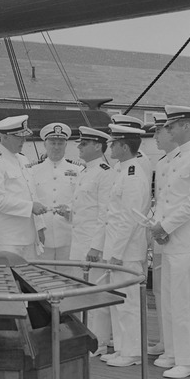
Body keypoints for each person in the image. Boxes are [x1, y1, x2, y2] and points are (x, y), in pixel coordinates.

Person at [148, 106, 190, 379]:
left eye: (172, 126)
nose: (168, 130)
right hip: (168, 240)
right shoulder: (166, 161)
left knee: (185, 302)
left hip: (186, 241)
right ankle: (174, 352)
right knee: (171, 300)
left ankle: (188, 361)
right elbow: (164, 200)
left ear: (186, 127)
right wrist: (157, 226)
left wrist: (165, 226)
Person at [101, 123, 151, 368]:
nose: (109, 146)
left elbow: (129, 219)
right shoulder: (123, 170)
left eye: (113, 142)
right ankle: (122, 347)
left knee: (129, 303)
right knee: (118, 301)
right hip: (118, 248)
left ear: (123, 146)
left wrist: (117, 253)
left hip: (126, 251)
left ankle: (132, 352)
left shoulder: (132, 175)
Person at [67, 126, 114, 356]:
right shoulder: (85, 171)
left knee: (96, 294)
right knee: (80, 293)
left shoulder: (105, 173)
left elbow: (105, 212)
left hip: (92, 245)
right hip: (79, 241)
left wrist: (96, 246)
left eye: (84, 144)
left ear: (98, 146)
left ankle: (99, 342)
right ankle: (84, 338)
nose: (79, 147)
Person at [0, 115, 48, 258]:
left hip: (28, 236)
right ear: (5, 137)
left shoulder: (22, 159)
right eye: (19, 137)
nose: (23, 141)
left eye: (24, 137)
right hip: (7, 239)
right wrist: (30, 207)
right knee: (7, 279)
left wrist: (39, 227)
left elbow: (31, 193)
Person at [29, 122, 83, 262]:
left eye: (60, 143)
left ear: (66, 145)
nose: (56, 147)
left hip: (68, 233)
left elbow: (82, 199)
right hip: (42, 234)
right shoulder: (32, 171)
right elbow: (31, 200)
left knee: (68, 277)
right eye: (52, 143)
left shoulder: (78, 170)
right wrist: (38, 227)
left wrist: (69, 211)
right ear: (45, 144)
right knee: (42, 279)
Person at [147, 111, 171, 356]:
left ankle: (175, 346)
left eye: (158, 131)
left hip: (172, 235)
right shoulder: (162, 163)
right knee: (160, 291)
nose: (155, 136)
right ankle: (166, 341)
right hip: (160, 235)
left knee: (174, 294)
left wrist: (164, 228)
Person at [107, 113, 154, 181]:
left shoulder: (141, 161)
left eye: (114, 143)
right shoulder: (124, 161)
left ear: (125, 147)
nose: (110, 146)